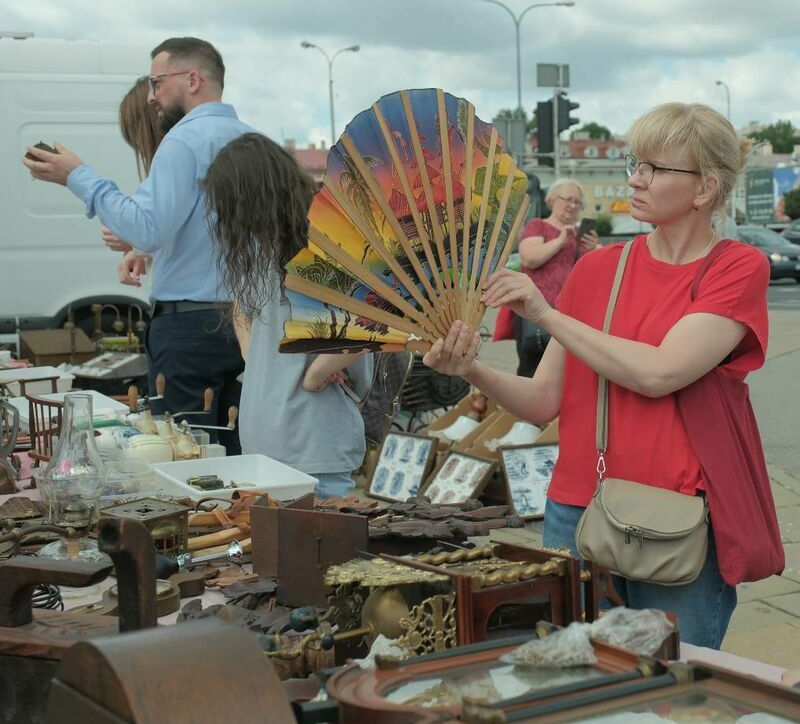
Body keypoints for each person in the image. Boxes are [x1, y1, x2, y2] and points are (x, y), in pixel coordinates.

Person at [425, 103, 770, 648]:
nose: (635, 178)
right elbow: (542, 402)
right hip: (577, 509)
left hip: (677, 521)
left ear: (705, 189)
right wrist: (470, 369)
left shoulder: (735, 267)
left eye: (655, 168)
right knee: (581, 686)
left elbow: (661, 372)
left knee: (672, 695)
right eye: (635, 163)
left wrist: (546, 313)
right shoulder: (597, 270)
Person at [23, 38, 253, 452]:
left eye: (156, 82)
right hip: (247, 324)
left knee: (182, 455)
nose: (151, 95)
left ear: (192, 79)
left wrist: (78, 176)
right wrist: (144, 247)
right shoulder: (253, 141)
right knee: (237, 451)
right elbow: (213, 229)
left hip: (188, 331)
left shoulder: (182, 141)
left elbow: (147, 228)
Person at [203, 133, 371, 498]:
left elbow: (374, 322)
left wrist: (315, 372)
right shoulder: (262, 246)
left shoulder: (328, 242)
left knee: (316, 547)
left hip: (311, 440)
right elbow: (241, 310)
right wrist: (264, 359)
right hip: (275, 437)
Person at [502, 178, 599, 377]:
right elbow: (529, 258)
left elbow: (594, 273)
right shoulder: (537, 225)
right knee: (532, 370)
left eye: (577, 202)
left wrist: (592, 250)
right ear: (552, 200)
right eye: (568, 199)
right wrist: (560, 241)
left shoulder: (578, 236)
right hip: (534, 312)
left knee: (567, 372)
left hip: (569, 314)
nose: (572, 206)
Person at [103, 76, 166, 287]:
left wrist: (136, 242)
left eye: (134, 133)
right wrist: (140, 251)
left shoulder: (172, 167)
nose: (137, 144)